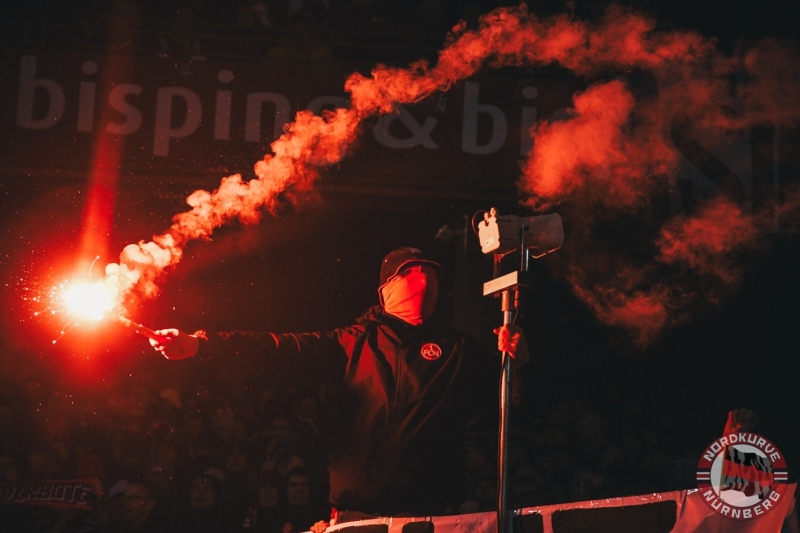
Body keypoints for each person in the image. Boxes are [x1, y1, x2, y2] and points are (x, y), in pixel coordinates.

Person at [150, 247, 528, 521]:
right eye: (410, 272)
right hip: (357, 516)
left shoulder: (457, 350)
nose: (423, 280)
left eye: (431, 272)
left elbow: (513, 405)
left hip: (429, 516)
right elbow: (279, 349)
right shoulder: (353, 342)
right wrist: (201, 343)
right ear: (385, 290)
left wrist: (517, 360)